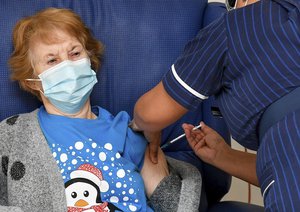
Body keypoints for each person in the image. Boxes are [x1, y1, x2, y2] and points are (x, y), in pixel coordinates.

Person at [0, 7, 201, 212]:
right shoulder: (14, 133)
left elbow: (172, 204)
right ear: (33, 82)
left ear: (89, 59)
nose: (68, 66)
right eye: (52, 60)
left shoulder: (126, 132)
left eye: (75, 53)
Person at [132, 0, 300, 211]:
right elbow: (279, 166)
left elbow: (150, 114)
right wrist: (224, 156)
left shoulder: (237, 27)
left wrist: (142, 126)